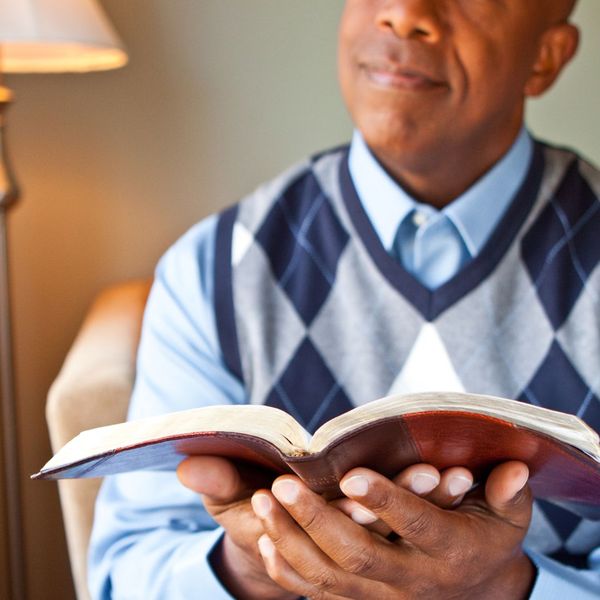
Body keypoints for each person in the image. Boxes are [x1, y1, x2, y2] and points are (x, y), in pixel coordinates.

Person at [89, 1, 600, 598]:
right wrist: (251, 569)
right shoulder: (216, 268)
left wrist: (506, 588)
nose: (405, 14)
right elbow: (124, 571)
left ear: (546, 56)